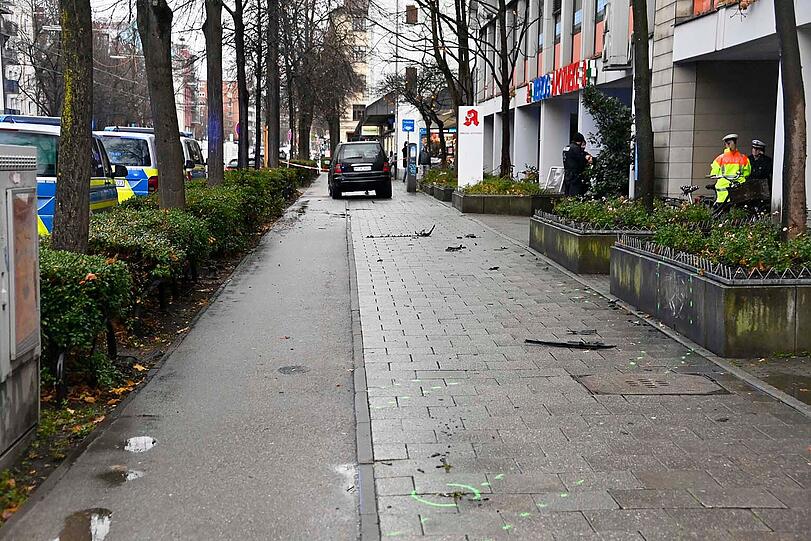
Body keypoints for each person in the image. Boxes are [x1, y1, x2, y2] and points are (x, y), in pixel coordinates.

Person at [710, 133, 751, 204]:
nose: (728, 145)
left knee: (724, 210)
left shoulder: (720, 158)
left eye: (729, 143)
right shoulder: (743, 158)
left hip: (725, 190)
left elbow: (713, 174)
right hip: (736, 189)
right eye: (728, 143)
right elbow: (747, 173)